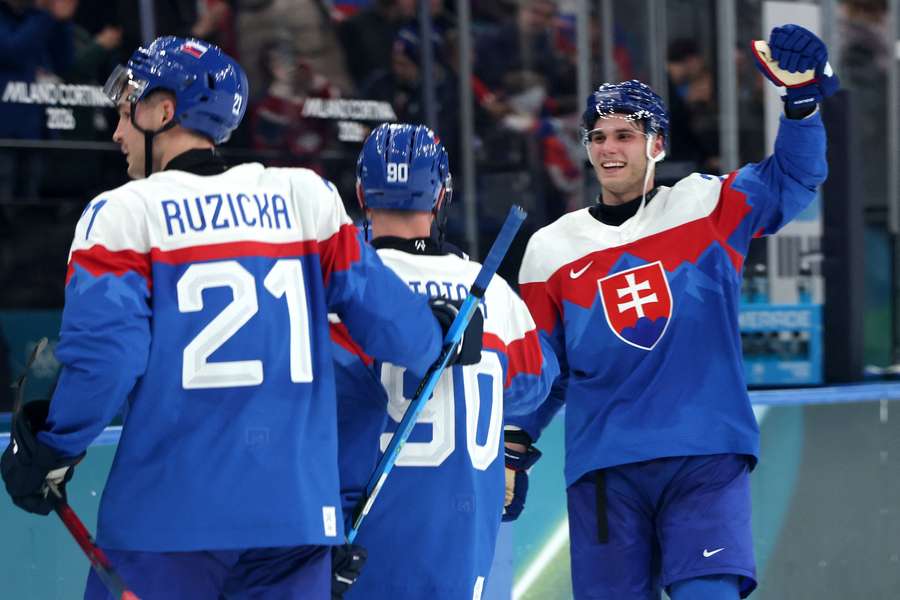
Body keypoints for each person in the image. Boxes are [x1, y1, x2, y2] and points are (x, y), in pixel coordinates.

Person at [0, 37, 482, 600]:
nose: (118, 131)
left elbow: (106, 359)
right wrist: (439, 333)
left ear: (163, 111)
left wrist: (54, 449)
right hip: (296, 520)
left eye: (128, 110)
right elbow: (393, 325)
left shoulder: (120, 215)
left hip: (168, 520)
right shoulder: (305, 198)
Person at [509, 24, 837, 600]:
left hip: (704, 455)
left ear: (657, 144)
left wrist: (802, 105)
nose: (608, 148)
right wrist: (512, 450)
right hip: (605, 468)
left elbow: (794, 176)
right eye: (597, 136)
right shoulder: (549, 249)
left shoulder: (706, 205)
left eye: (625, 135)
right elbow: (542, 367)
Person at [332, 123, 558, 599]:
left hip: (362, 543)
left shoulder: (344, 287)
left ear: (362, 194)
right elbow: (534, 384)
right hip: (462, 550)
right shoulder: (493, 293)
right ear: (441, 196)